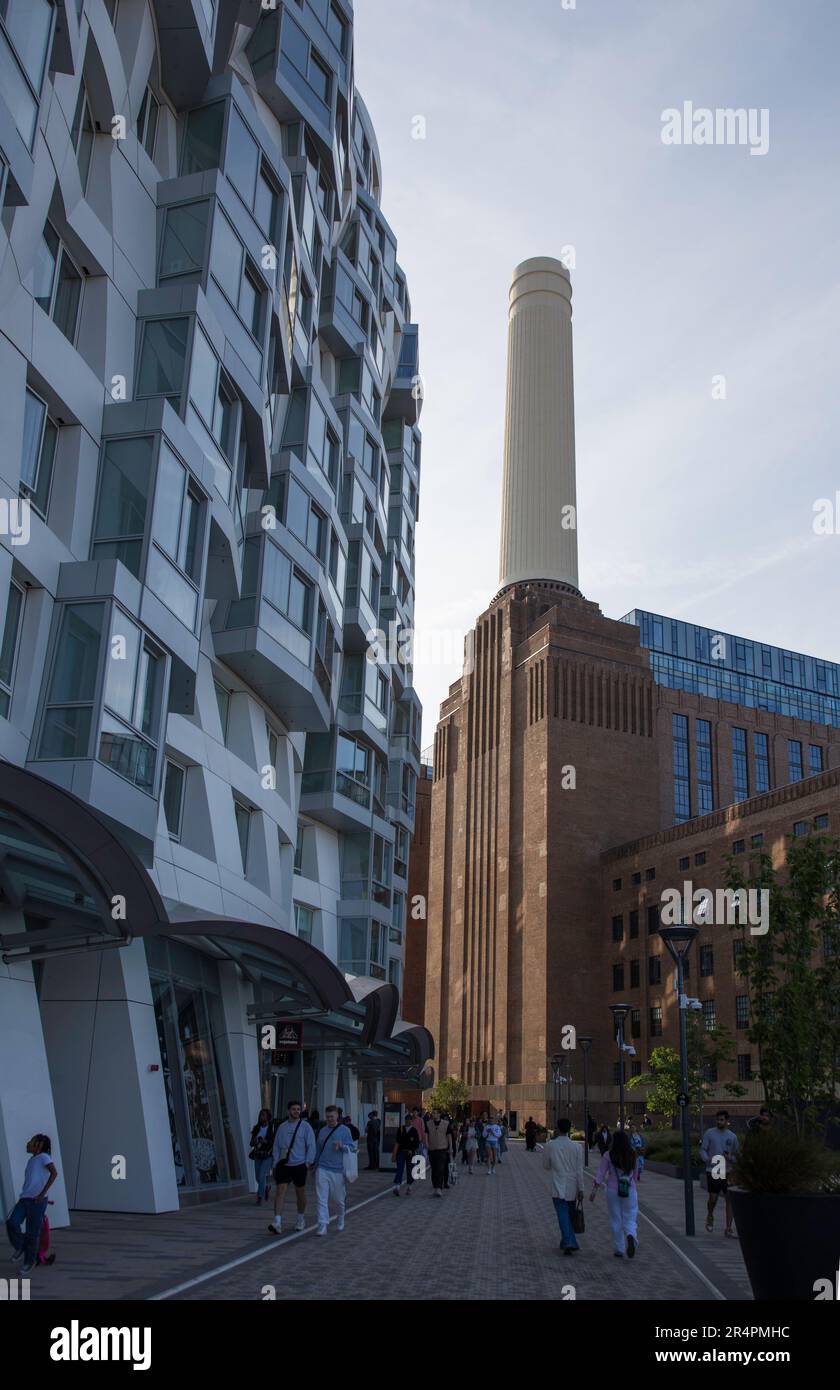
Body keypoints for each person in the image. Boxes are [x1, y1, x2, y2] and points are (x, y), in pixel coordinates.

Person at [6, 1134, 58, 1274]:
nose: (27, 1143)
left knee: (32, 1233)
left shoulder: (44, 1157)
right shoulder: (32, 1160)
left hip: (37, 1201)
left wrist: (42, 1194)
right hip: (25, 1199)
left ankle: (29, 1262)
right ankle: (22, 1247)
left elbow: (54, 1173)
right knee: (12, 1222)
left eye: (31, 1141)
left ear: (39, 1145)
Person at [589, 1128, 640, 1258]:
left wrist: (594, 1190)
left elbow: (601, 1173)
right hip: (629, 1189)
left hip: (612, 1189)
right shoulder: (633, 1154)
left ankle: (619, 1248)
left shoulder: (608, 1154)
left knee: (615, 1218)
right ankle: (631, 1235)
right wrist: (632, 1185)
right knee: (630, 1216)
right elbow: (635, 1174)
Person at [268, 1100, 316, 1235]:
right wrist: (275, 1163)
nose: (296, 1111)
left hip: (300, 1165)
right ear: (288, 1111)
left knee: (300, 1192)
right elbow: (276, 1146)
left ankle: (300, 1219)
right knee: (280, 1191)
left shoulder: (305, 1127)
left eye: (298, 1109)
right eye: (294, 1109)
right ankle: (277, 1222)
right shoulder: (282, 1127)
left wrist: (307, 1163)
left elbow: (311, 1145)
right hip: (284, 1165)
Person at [543, 1117, 585, 1256]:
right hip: (573, 1184)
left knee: (562, 1213)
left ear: (557, 1128)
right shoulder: (577, 1147)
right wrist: (581, 1188)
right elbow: (580, 1170)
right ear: (569, 1129)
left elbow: (546, 1166)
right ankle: (567, 1240)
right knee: (569, 1213)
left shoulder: (550, 1145)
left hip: (558, 1182)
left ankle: (568, 1240)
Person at [313, 1104, 354, 1235]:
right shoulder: (322, 1131)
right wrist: (315, 1166)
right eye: (328, 1116)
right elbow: (318, 1149)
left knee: (338, 1200)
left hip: (337, 1170)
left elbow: (352, 1148)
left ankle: (341, 1217)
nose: (330, 1118)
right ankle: (322, 1224)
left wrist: (342, 1146)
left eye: (332, 1116)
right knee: (321, 1198)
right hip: (322, 1168)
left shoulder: (344, 1130)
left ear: (337, 1116)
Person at [700, 1109, 741, 1238]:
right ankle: (710, 1214)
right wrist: (707, 1159)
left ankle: (728, 1228)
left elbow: (737, 1155)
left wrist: (731, 1158)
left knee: (729, 1198)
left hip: (728, 1170)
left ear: (727, 1121)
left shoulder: (732, 1137)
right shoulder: (710, 1133)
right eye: (718, 1119)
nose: (719, 1122)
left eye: (722, 1120)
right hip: (714, 1169)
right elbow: (703, 1150)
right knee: (713, 1198)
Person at [249, 1107, 275, 1205]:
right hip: (258, 1154)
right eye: (260, 1115)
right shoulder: (256, 1128)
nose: (261, 1117)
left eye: (263, 1115)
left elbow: (273, 1142)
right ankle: (266, 1188)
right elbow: (251, 1143)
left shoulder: (271, 1128)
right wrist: (255, 1141)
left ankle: (259, 1198)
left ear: (268, 1117)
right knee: (257, 1178)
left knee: (262, 1175)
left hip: (267, 1155)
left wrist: (265, 1141)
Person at [426, 1109, 454, 1196]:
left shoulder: (446, 1124)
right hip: (432, 1149)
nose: (433, 1114)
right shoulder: (428, 1123)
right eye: (432, 1113)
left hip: (442, 1149)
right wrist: (426, 1144)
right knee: (434, 1169)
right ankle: (435, 1186)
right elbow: (426, 1134)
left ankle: (439, 1188)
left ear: (439, 1114)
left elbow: (449, 1136)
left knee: (440, 1168)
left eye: (435, 1113)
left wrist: (451, 1147)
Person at [392, 1115, 419, 1196]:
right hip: (401, 1152)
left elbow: (416, 1142)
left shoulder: (414, 1130)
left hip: (410, 1153)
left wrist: (412, 1149)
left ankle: (409, 1187)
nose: (408, 1121)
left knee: (410, 1169)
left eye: (410, 1120)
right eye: (406, 1120)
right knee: (399, 1168)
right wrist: (394, 1153)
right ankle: (397, 1186)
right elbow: (397, 1141)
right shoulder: (401, 1129)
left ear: (412, 1121)